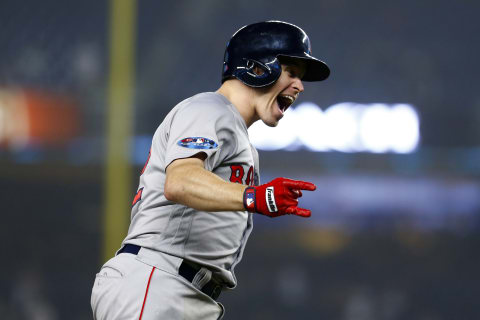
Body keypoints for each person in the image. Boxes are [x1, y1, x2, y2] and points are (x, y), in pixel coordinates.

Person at [91, 20, 330, 320]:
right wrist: (256, 196)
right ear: (257, 67)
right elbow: (179, 181)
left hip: (184, 291)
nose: (300, 85)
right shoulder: (209, 109)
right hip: (158, 280)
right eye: (292, 72)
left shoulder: (234, 132)